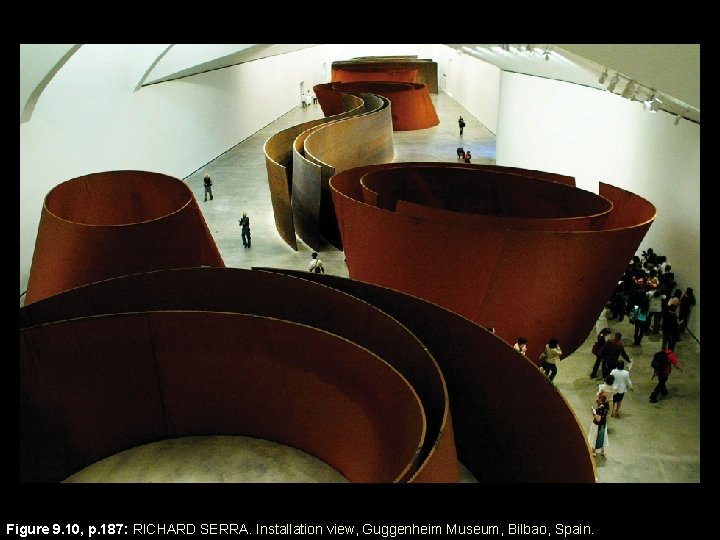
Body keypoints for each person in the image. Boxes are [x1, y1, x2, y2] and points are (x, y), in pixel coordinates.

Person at [588, 392, 610, 457]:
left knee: (594, 437)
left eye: (598, 397)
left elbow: (598, 419)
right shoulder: (606, 405)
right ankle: (602, 451)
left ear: (600, 399)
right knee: (603, 436)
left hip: (597, 425)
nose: (596, 398)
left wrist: (594, 413)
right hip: (604, 424)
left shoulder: (600, 408)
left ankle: (594, 451)